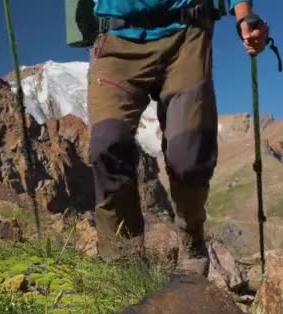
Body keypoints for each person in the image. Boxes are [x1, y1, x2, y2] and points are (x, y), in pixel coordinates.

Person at [86, 0, 270, 276]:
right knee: (108, 144)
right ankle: (122, 264)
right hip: (115, 41)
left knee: (189, 154)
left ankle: (191, 236)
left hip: (186, 32)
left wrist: (244, 15)